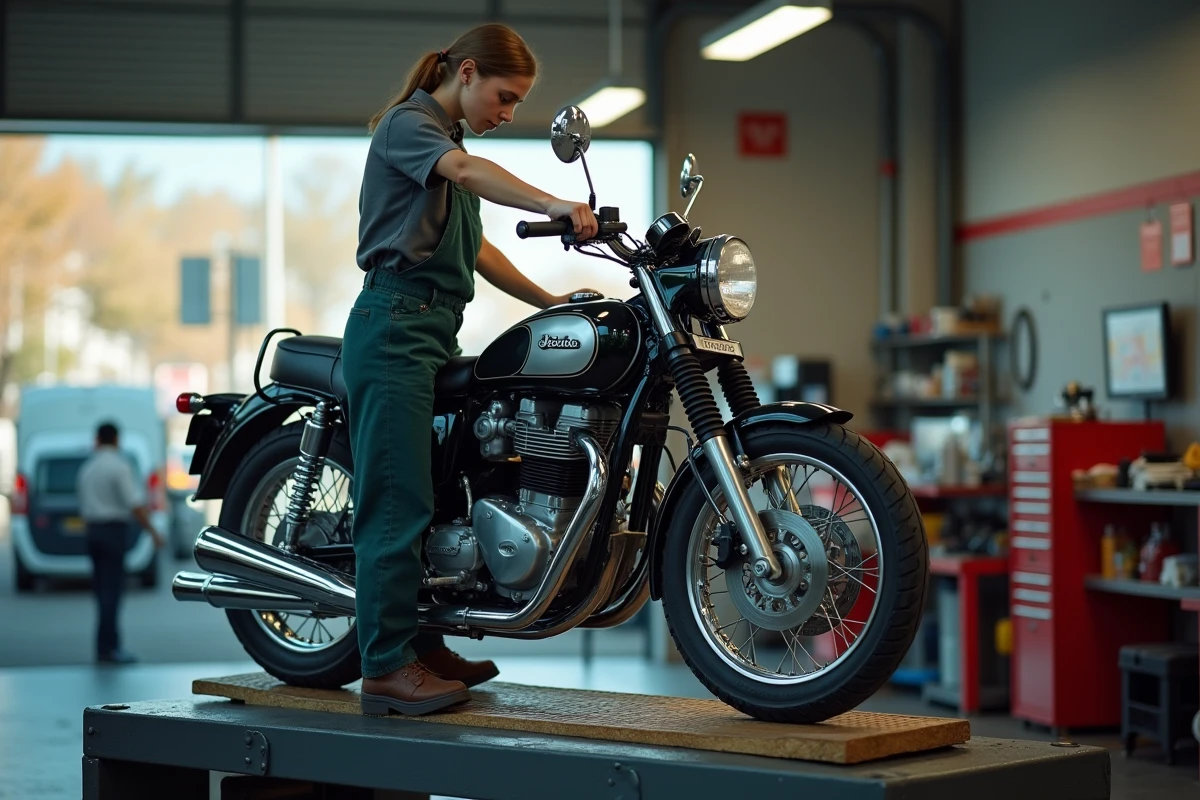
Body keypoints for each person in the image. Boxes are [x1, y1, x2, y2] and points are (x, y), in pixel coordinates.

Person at [345, 22, 598, 717]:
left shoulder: (446, 146)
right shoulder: (411, 128)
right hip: (394, 326)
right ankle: (386, 670)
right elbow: (464, 174)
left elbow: (480, 251)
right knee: (398, 503)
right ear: (464, 72)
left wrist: (551, 302)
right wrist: (552, 201)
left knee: (440, 489)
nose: (508, 113)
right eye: (505, 96)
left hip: (428, 328)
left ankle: (422, 643)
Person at [76, 421, 165, 664]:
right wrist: (153, 531)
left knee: (100, 590)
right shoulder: (119, 466)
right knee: (112, 592)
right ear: (116, 439)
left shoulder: (88, 468)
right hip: (113, 531)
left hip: (93, 531)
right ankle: (111, 648)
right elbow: (134, 503)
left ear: (97, 439)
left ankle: (102, 647)